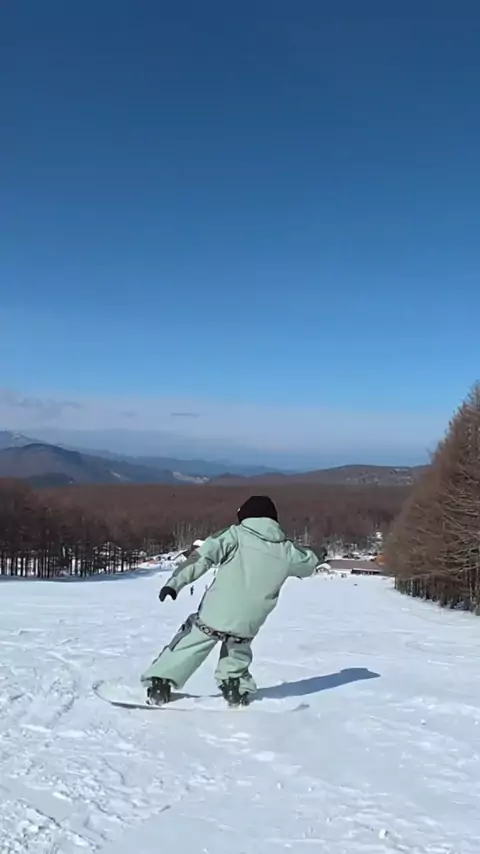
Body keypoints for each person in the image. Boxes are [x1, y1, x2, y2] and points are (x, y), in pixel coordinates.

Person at [141, 496, 322, 707]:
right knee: (237, 650)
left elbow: (202, 557)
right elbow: (308, 563)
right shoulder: (287, 549)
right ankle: (235, 687)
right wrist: (319, 553)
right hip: (249, 622)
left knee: (190, 641)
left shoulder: (235, 535)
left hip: (215, 614)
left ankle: (161, 682)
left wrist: (175, 583)